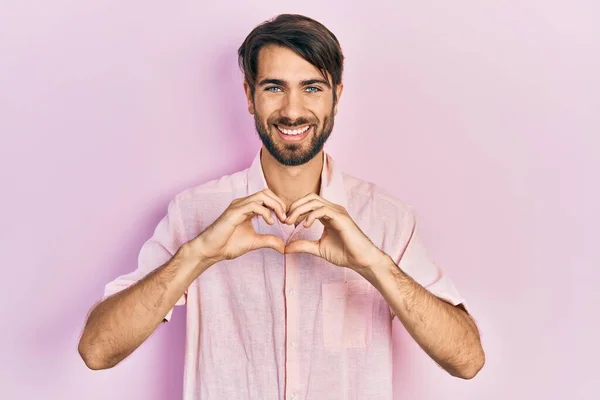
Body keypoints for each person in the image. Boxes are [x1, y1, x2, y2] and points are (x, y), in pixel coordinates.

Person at [78, 13, 485, 399]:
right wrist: (198, 255)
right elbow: (97, 351)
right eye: (274, 87)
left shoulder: (387, 218)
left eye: (312, 87)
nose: (292, 110)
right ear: (249, 96)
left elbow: (467, 360)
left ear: (336, 97)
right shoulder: (194, 211)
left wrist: (375, 266)